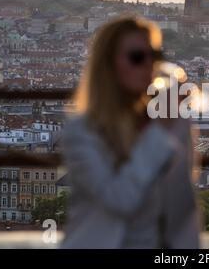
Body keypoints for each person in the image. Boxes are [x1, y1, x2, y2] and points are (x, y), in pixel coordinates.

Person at [61, 17, 199, 248]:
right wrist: (160, 130)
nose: (148, 65)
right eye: (137, 57)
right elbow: (120, 200)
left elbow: (183, 213)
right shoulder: (81, 132)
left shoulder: (174, 125)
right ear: (108, 65)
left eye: (153, 56)